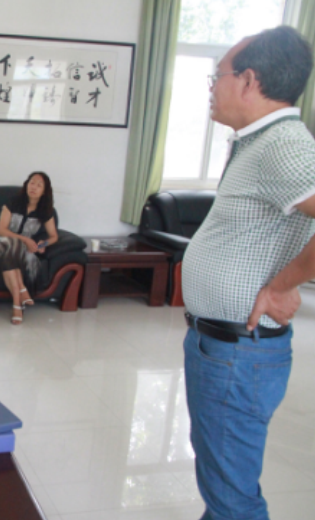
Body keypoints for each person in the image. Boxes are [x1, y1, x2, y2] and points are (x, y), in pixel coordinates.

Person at [181, 26, 315, 520]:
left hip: (238, 352)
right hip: (224, 346)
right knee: (223, 485)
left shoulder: (283, 144)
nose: (212, 87)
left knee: (232, 499)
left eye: (217, 76)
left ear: (249, 80)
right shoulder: (260, 142)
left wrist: (284, 284)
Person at [0, 172, 58, 325]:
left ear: (44, 191)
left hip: (16, 247)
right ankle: (18, 298)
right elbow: (2, 230)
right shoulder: (13, 203)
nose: (34, 187)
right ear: (26, 185)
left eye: (39, 185)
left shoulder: (45, 211)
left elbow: (54, 236)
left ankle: (18, 301)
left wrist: (42, 245)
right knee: (10, 244)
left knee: (12, 249)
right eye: (31, 182)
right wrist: (26, 239)